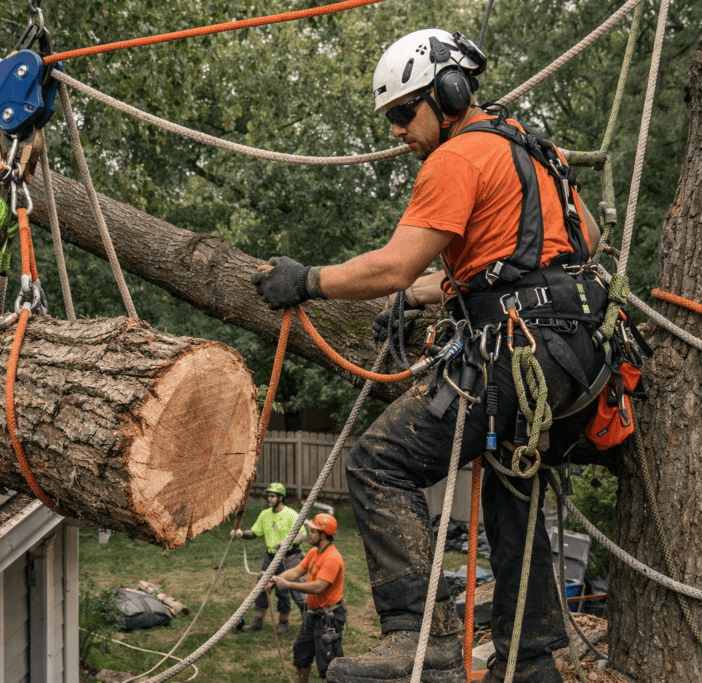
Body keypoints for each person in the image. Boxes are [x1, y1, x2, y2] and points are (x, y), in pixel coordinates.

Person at [250, 28, 609, 683]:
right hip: (577, 353)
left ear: (448, 94)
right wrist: (432, 292)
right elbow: (582, 236)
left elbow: (391, 263)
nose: (397, 130)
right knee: (511, 481)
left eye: (402, 112)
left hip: (514, 352)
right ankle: (530, 660)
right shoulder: (534, 147)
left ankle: (420, 636)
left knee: (378, 462)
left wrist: (306, 280)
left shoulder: (455, 158)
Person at [270, 513, 346, 683]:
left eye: (313, 531)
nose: (309, 533)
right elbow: (296, 571)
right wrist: (274, 579)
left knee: (329, 661)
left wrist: (288, 585)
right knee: (301, 652)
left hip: (329, 618)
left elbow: (319, 587)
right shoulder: (314, 552)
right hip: (313, 613)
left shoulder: (332, 559)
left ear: (323, 535)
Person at [231, 482, 307, 633]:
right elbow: (255, 533)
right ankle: (256, 623)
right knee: (261, 588)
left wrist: (286, 543)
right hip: (270, 557)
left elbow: (303, 534)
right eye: (268, 496)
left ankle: (287, 623)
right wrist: (241, 534)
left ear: (280, 497)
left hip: (289, 558)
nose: (269, 499)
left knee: (286, 590)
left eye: (272, 496)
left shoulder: (291, 514)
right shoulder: (265, 515)